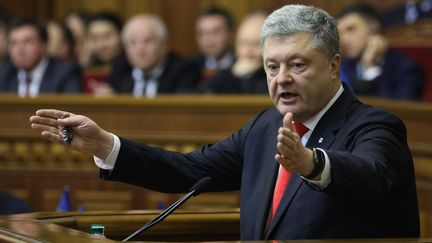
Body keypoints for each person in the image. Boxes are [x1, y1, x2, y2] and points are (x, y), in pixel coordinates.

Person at [30, 4, 419, 240]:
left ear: (334, 66)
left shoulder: (375, 126)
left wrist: (313, 164)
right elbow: (188, 170)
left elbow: (372, 172)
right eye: (272, 66)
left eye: (297, 65)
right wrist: (104, 145)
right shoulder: (265, 127)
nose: (281, 78)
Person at [92, 14, 200, 97]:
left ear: (164, 45)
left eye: (148, 41)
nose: (140, 49)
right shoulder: (120, 69)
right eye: (132, 42)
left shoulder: (184, 71)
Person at [337, 3, 426, 100]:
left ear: (374, 28)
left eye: (351, 29)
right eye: (340, 33)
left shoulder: (407, 69)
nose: (344, 39)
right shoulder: (343, 67)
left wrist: (370, 68)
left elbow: (399, 112)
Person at [0, 18, 83, 97]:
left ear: (43, 45)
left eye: (27, 41)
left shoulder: (66, 73)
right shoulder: (4, 73)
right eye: (14, 43)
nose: (20, 49)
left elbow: (71, 108)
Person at [205, 10, 268, 94]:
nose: (248, 52)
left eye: (256, 44)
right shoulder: (225, 77)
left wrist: (251, 77)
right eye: (243, 43)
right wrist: (237, 76)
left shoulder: (278, 77)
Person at [189, 7, 235, 87]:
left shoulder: (241, 64)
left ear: (231, 34)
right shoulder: (189, 67)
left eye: (216, 32)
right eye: (202, 33)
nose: (208, 39)